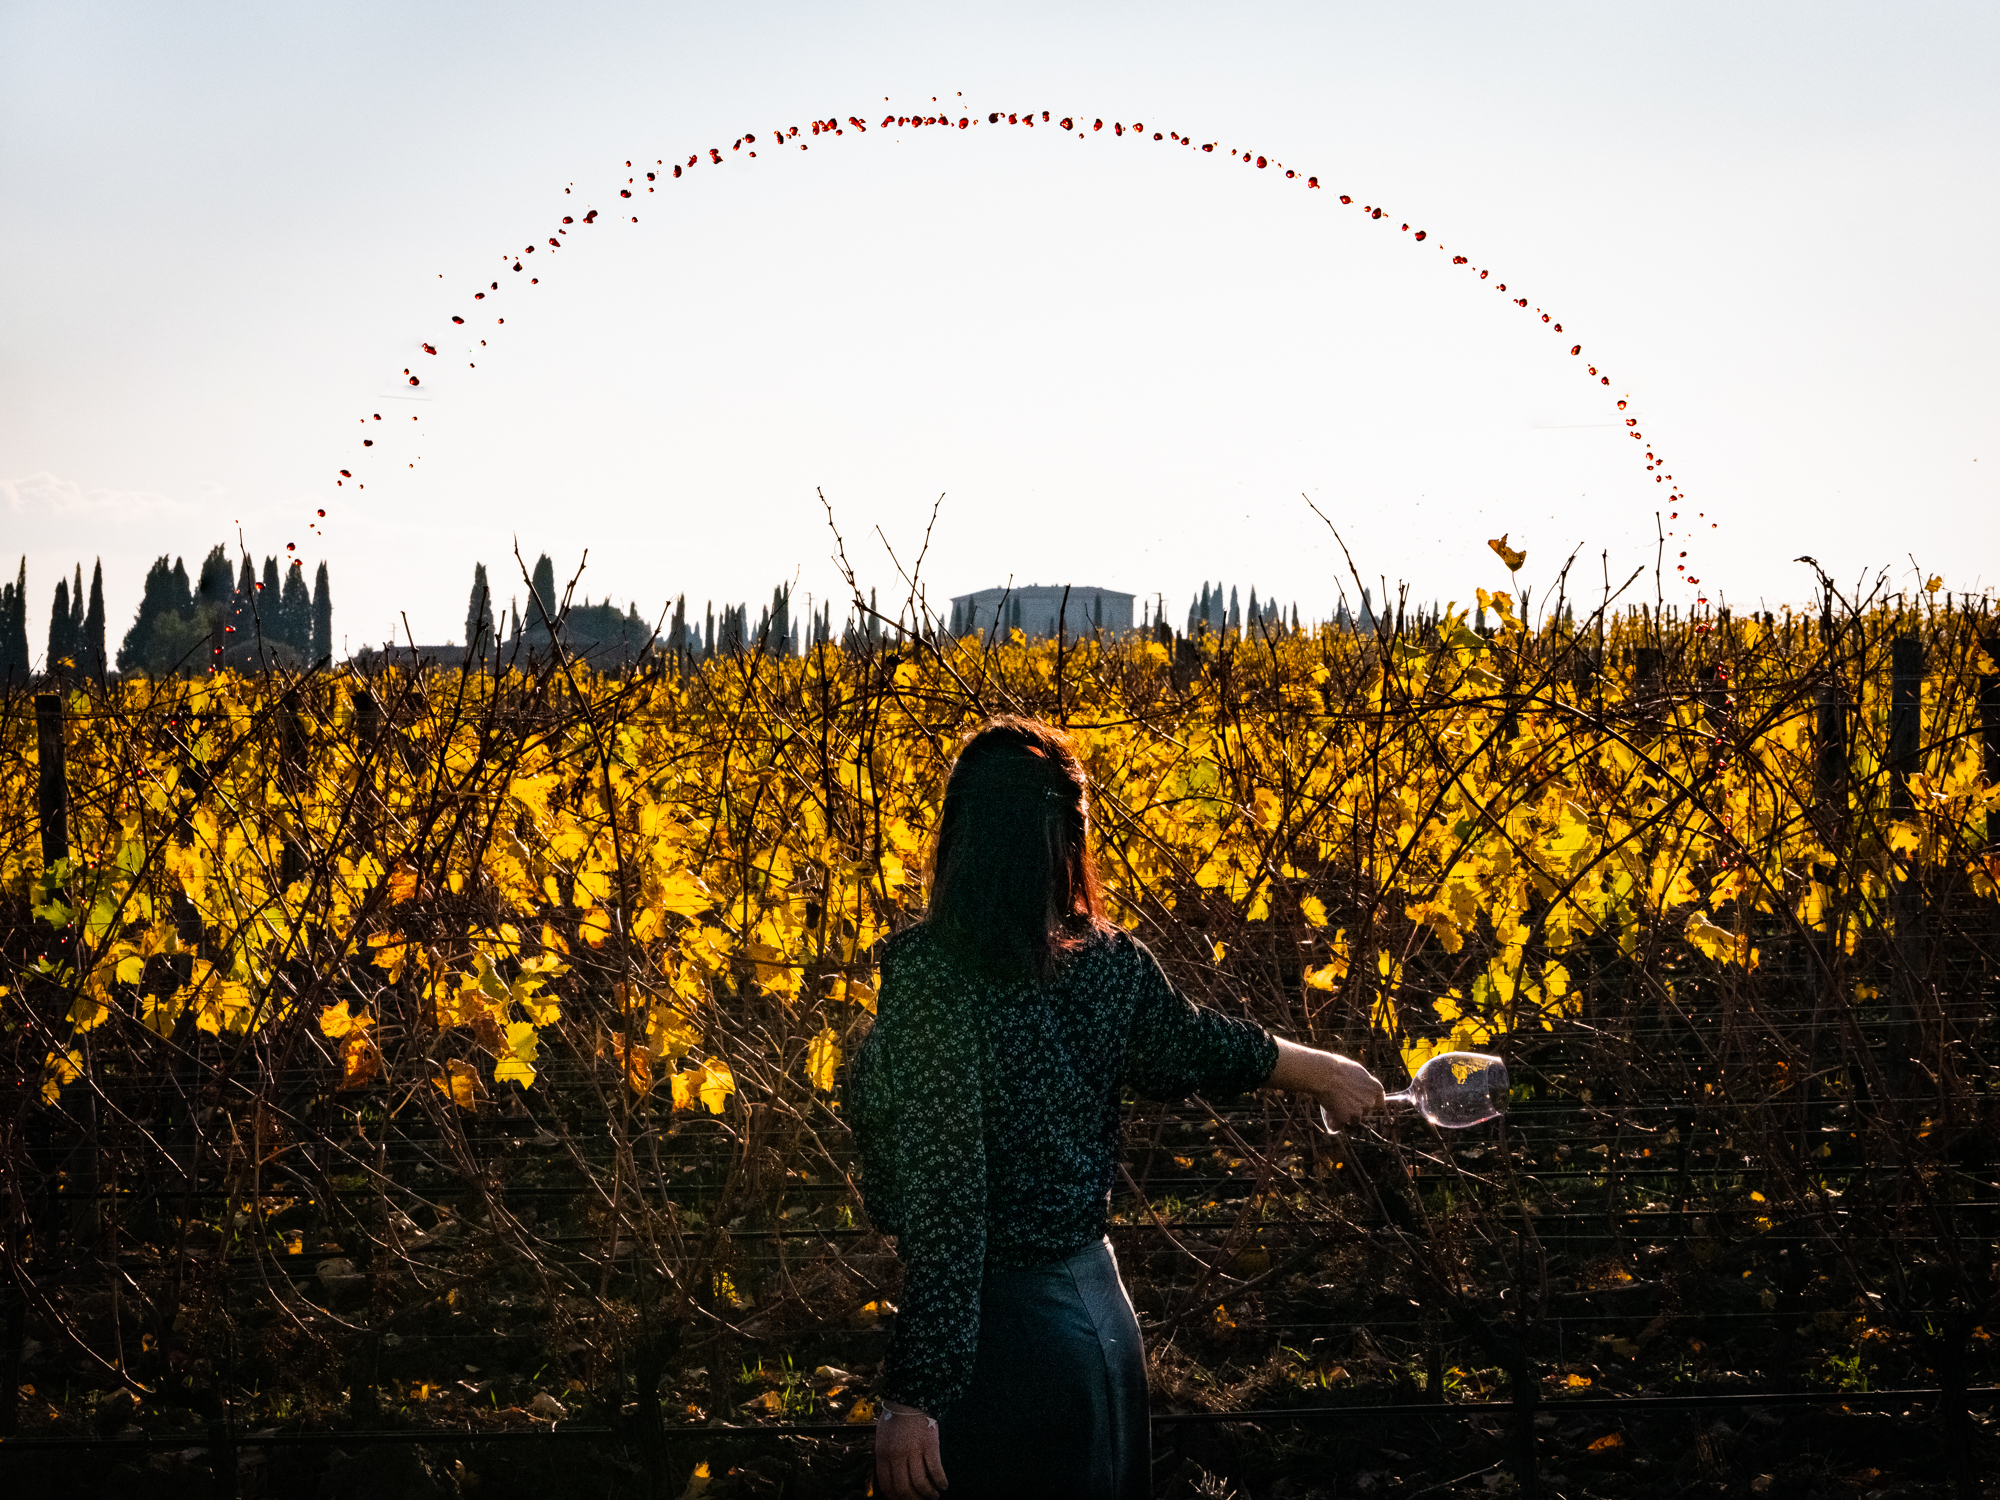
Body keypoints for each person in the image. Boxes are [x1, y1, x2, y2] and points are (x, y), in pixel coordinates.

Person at [850, 715, 1385, 1500]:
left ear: (961, 836)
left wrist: (915, 1395)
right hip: (1099, 1319)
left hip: (1003, 1346)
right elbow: (1196, 1045)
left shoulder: (940, 978)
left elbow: (949, 1199)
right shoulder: (1107, 962)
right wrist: (1326, 1072)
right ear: (1066, 840)